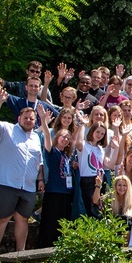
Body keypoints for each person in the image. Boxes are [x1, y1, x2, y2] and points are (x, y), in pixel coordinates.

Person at [0, 89, 43, 253]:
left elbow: (39, 161)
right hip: (5, 183)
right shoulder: (6, 129)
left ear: (35, 120)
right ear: (19, 119)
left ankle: (20, 253)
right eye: (25, 118)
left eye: (31, 118)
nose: (28, 121)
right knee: (2, 218)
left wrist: (40, 179)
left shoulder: (36, 138)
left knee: (23, 219)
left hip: (28, 187)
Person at [37, 106, 74, 248]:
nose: (65, 140)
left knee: (62, 221)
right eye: (63, 137)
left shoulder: (66, 156)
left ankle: (59, 246)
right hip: (53, 191)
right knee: (50, 221)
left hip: (66, 192)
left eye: (68, 138)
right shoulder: (52, 152)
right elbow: (46, 136)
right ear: (57, 138)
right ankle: (44, 247)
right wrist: (43, 121)